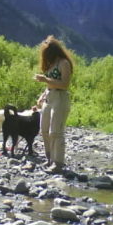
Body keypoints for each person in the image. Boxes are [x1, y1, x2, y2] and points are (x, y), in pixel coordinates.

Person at [34, 35, 73, 174]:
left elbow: (65, 84)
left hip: (60, 98)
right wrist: (42, 96)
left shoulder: (64, 63)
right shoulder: (51, 65)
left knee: (55, 132)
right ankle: (49, 158)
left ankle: (58, 163)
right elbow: (49, 84)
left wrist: (45, 79)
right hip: (49, 97)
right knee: (44, 130)